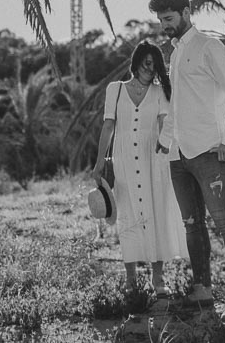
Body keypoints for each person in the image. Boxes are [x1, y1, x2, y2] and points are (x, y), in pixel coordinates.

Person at [149, 0, 225, 318]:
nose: (164, 26)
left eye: (168, 19)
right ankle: (202, 292)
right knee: (192, 224)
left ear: (186, 11)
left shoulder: (210, 47)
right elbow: (178, 105)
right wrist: (165, 141)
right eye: (160, 21)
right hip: (178, 156)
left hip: (210, 151)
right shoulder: (176, 53)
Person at [93, 41, 187, 295]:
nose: (149, 68)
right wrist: (100, 161)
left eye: (154, 65)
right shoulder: (116, 89)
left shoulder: (158, 92)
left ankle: (158, 279)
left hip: (153, 159)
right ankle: (131, 279)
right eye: (146, 63)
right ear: (136, 63)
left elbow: (166, 123)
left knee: (156, 213)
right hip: (123, 159)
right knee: (128, 215)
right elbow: (108, 126)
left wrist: (165, 145)